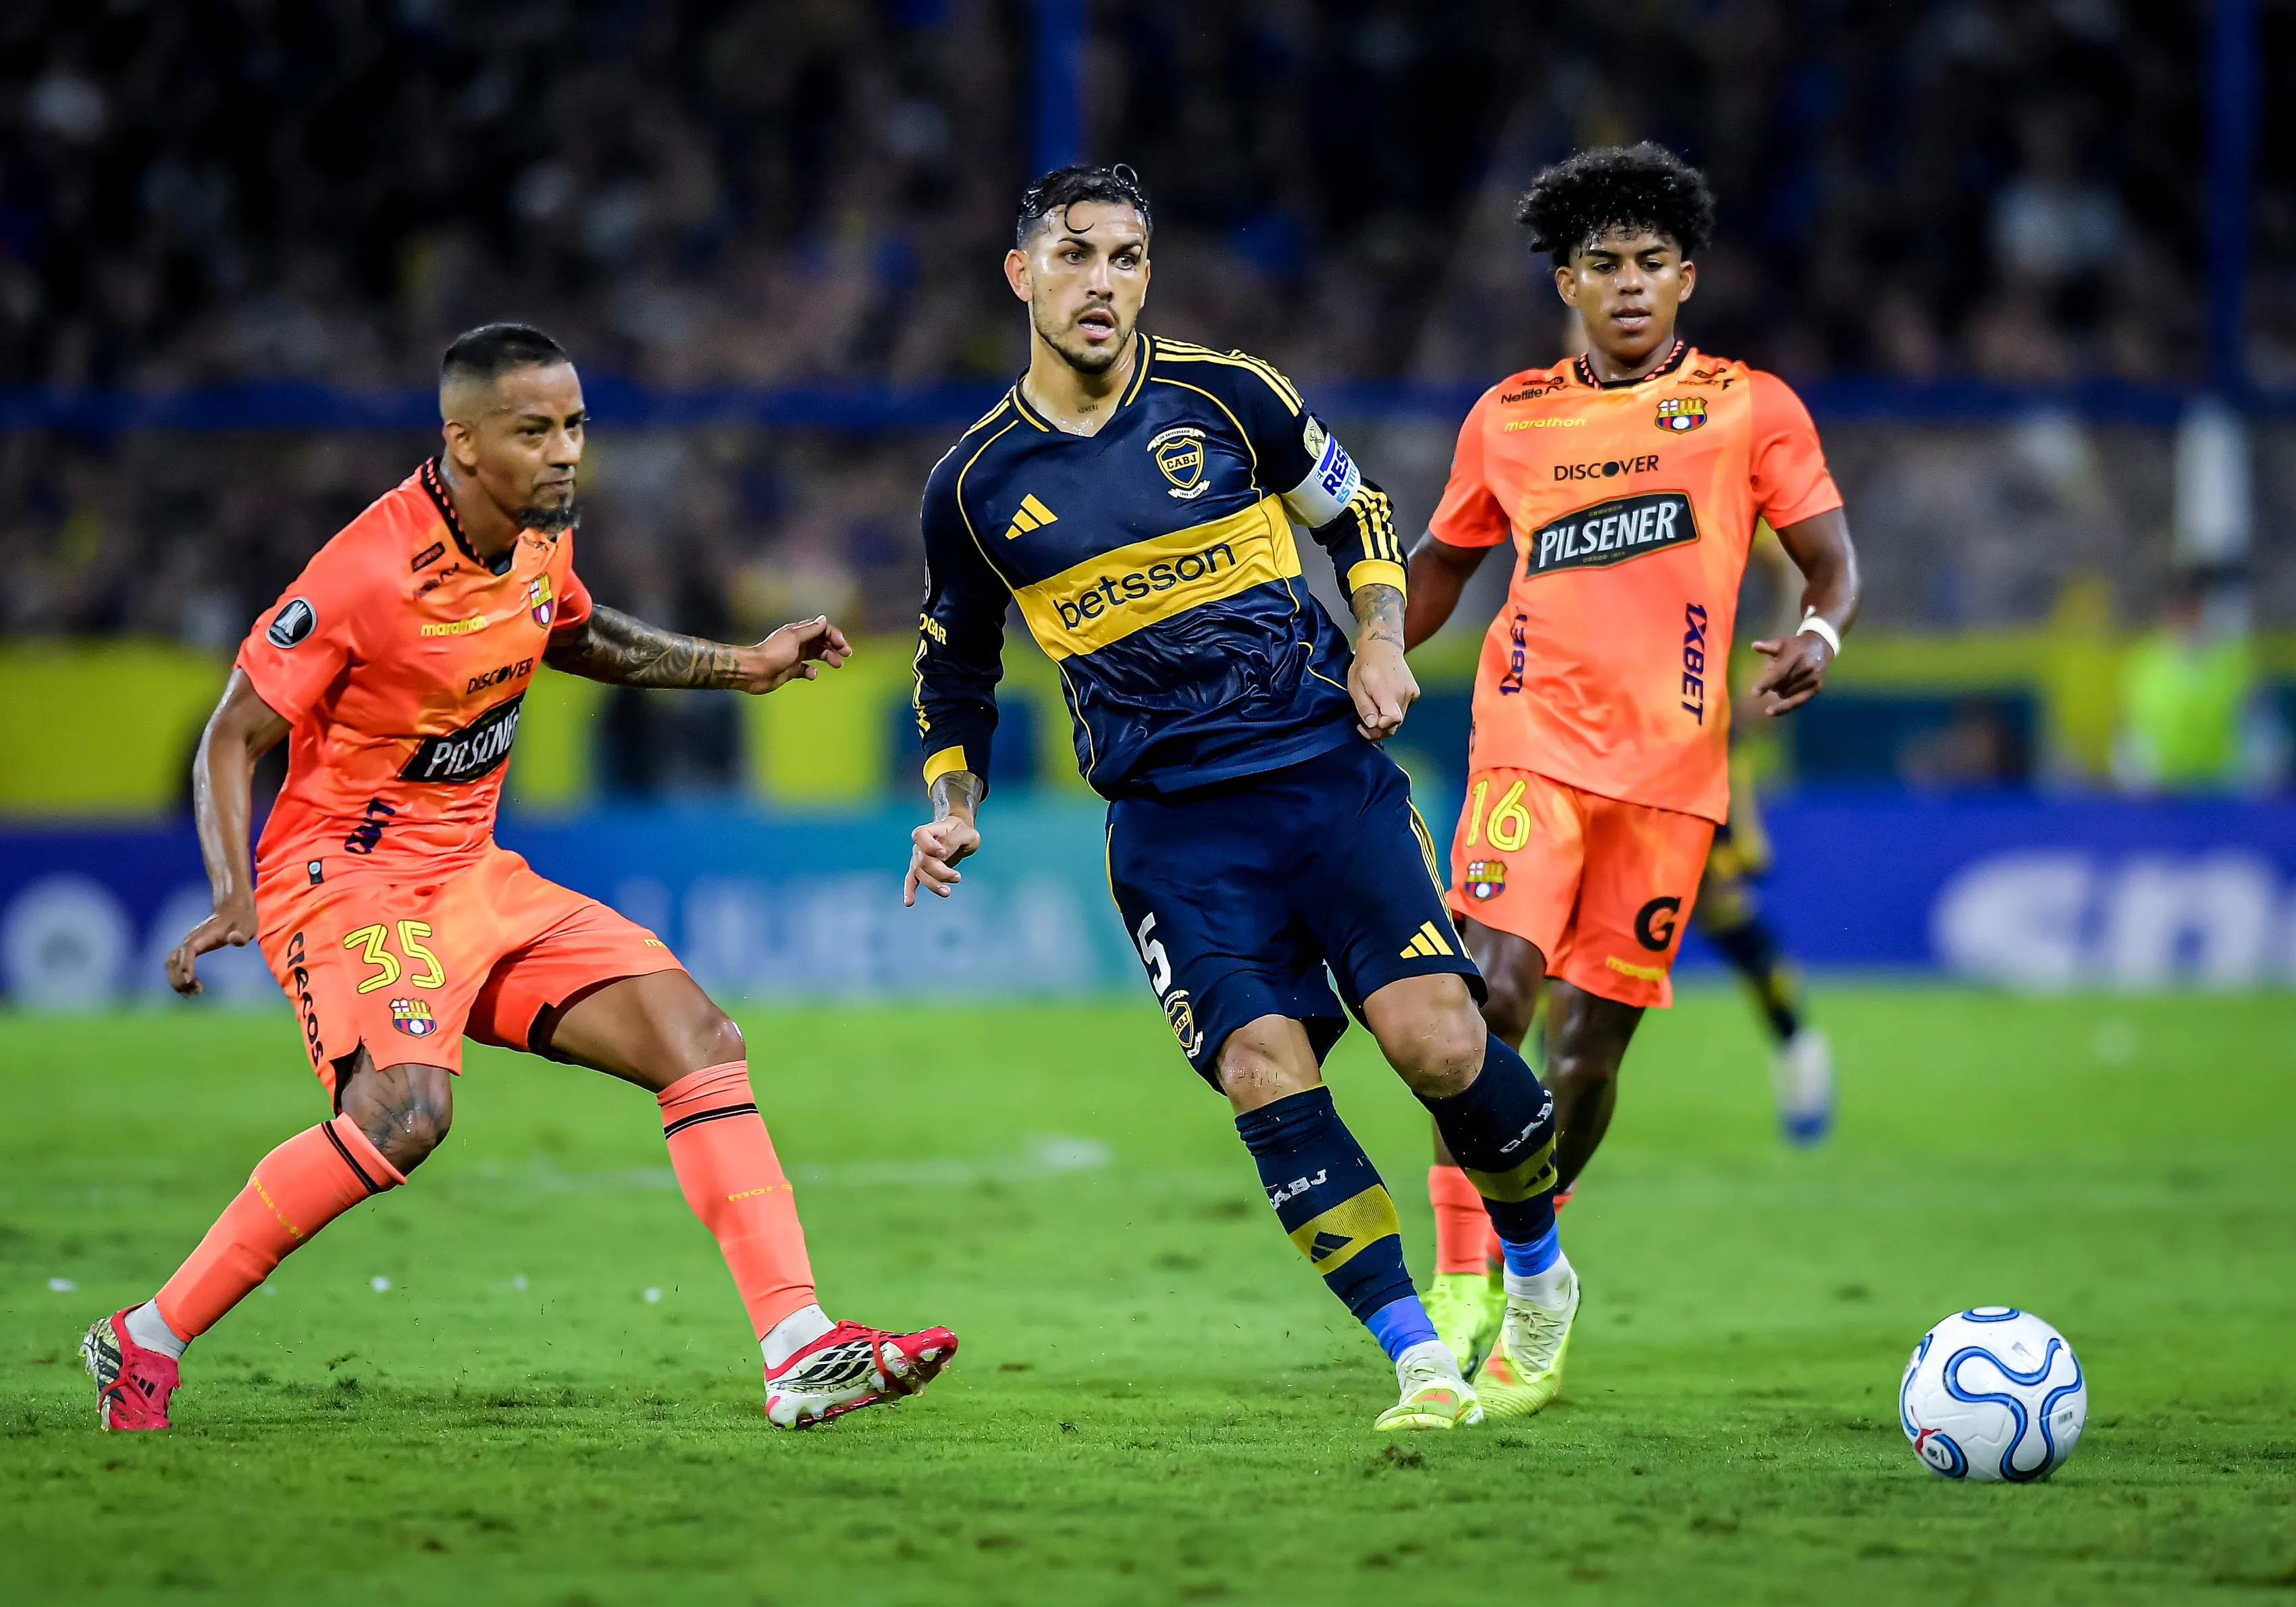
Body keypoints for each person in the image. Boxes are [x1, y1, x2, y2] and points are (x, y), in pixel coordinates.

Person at [83, 324, 957, 1433]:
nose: (565, 452)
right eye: (534, 430)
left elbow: (573, 634)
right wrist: (229, 892)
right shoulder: (363, 572)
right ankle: (142, 1340)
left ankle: (799, 1348)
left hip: (478, 878)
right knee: (404, 1115)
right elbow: (229, 734)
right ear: (462, 442)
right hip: (353, 884)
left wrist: (745, 665)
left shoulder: (541, 543)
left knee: (701, 1040)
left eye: (576, 426)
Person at [903, 165, 1574, 1432]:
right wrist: (954, 798)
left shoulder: (1231, 395)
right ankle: (1419, 1357)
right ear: (1022, 274)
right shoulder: (975, 487)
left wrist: (1380, 637)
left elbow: (1361, 513)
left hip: (1327, 779)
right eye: (1075, 255)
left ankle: (1540, 1273)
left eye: (1126, 258)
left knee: (1438, 1042)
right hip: (1175, 832)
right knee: (1266, 1074)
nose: (1101, 282)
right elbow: (955, 661)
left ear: (1149, 275)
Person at [1401, 144, 1861, 1374]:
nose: (1629, 285)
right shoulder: (1509, 415)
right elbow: (1443, 565)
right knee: (1487, 997)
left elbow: (1832, 561)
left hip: (1671, 778)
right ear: (1567, 284)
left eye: (1652, 263)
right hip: (1528, 743)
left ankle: (1529, 1263)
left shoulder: (1748, 406)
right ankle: (1458, 1283)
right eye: (1602, 265)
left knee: (1586, 1054)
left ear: (1688, 277)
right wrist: (1368, 651)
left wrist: (1819, 633)